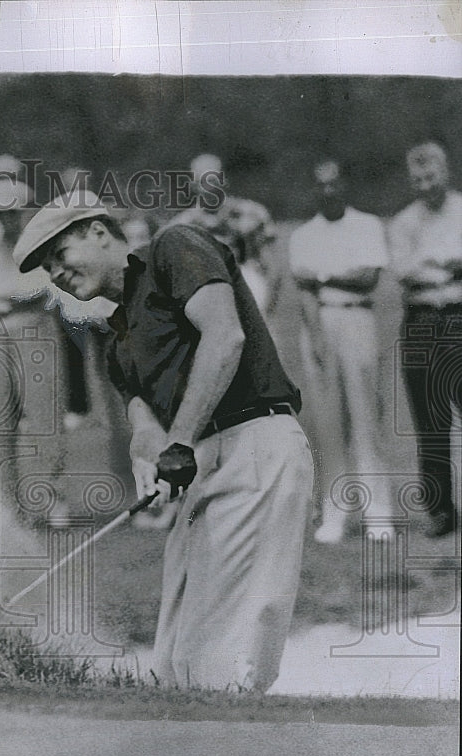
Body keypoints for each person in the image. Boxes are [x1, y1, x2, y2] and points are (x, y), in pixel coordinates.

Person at [13, 195, 313, 692]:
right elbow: (144, 422)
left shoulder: (174, 247)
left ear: (97, 232)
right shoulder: (116, 338)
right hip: (205, 461)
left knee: (223, 647)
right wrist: (148, 455)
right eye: (47, 269)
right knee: (176, 651)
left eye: (60, 254)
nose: (57, 274)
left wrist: (178, 442)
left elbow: (225, 335)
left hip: (255, 446)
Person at [289, 159, 393, 543]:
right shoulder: (303, 234)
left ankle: (378, 513)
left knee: (367, 419)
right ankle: (335, 513)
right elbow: (303, 292)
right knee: (328, 426)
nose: (328, 191)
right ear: (314, 189)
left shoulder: (367, 225)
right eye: (321, 185)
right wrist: (315, 335)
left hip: (358, 320)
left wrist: (322, 276)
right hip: (319, 324)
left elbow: (368, 278)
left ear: (344, 185)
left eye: (334, 183)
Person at [388, 141, 462, 538]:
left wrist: (431, 264)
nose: (425, 185)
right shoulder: (403, 222)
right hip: (419, 321)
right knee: (430, 421)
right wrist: (446, 267)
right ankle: (440, 512)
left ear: (445, 172)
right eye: (417, 179)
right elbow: (403, 270)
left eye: (431, 176)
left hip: (459, 316)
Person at [171, 153, 280, 318]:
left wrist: (267, 308)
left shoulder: (251, 214)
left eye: (213, 180)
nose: (209, 187)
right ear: (193, 185)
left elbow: (272, 266)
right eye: (202, 181)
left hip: (250, 291)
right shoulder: (183, 225)